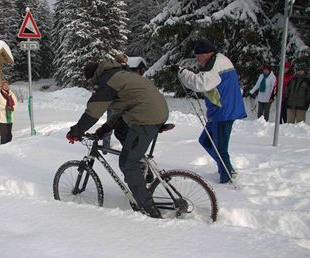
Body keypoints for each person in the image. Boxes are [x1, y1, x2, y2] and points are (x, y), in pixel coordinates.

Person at [66, 59, 169, 218]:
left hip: (146, 116)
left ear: (94, 76)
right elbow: (123, 111)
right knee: (122, 132)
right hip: (154, 111)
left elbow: (93, 111)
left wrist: (76, 131)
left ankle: (148, 208)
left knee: (128, 164)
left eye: (91, 82)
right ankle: (141, 171)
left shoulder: (107, 81)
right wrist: (104, 130)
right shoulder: (120, 75)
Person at [176, 39, 247, 184]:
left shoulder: (216, 64)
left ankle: (227, 177)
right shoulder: (218, 61)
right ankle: (226, 168)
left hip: (223, 112)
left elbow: (200, 83)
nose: (197, 59)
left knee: (220, 148)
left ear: (207, 53)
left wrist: (182, 73)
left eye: (198, 56)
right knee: (205, 140)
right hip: (220, 111)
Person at [102, 53, 130, 154]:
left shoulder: (110, 70)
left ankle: (105, 147)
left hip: (112, 102)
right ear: (123, 61)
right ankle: (127, 150)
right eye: (125, 61)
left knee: (110, 125)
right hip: (119, 103)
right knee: (121, 127)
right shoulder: (124, 71)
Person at [0, 79, 17, 144]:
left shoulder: (11, 94)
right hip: (2, 117)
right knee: (4, 134)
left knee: (9, 134)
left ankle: (9, 146)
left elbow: (15, 103)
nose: (6, 86)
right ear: (2, 86)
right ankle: (2, 148)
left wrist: (12, 107)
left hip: (10, 116)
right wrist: (5, 107)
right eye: (4, 85)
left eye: (7, 85)